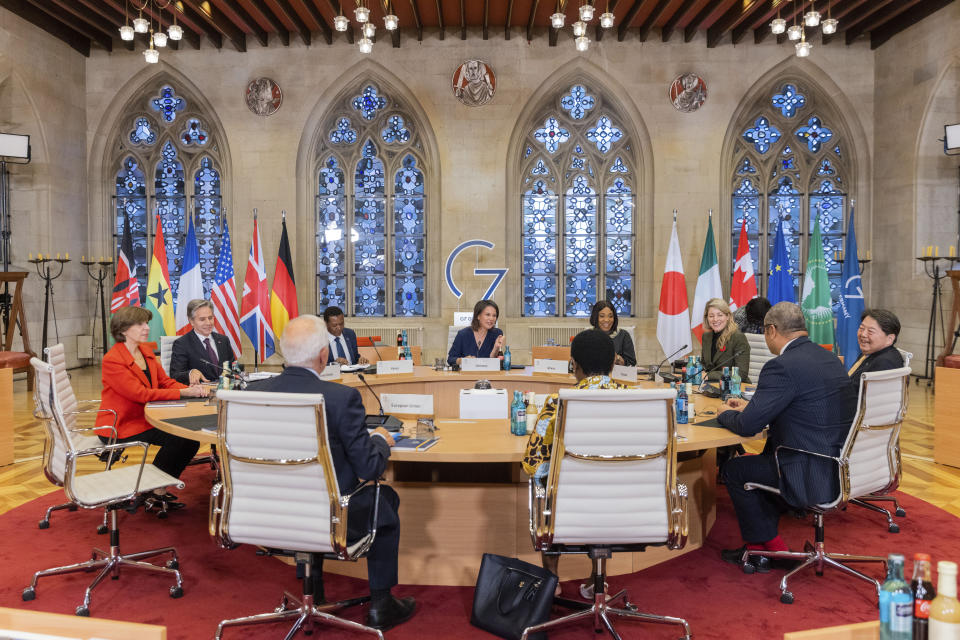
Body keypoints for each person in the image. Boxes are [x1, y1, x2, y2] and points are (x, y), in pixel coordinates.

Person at [245, 315, 415, 631]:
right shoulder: (340, 398)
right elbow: (369, 468)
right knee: (384, 499)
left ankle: (316, 592)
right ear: (324, 355)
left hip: (265, 514)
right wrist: (379, 440)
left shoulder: (252, 394)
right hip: (329, 518)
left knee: (310, 492)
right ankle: (381, 604)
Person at [716, 302, 857, 570]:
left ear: (771, 330)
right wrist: (754, 407)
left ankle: (771, 548)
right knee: (764, 458)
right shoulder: (828, 357)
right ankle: (760, 549)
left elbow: (747, 426)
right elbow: (806, 403)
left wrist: (723, 412)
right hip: (839, 463)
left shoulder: (781, 366)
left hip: (807, 467)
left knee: (735, 469)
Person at [521, 329, 627, 598]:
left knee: (546, 485)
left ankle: (552, 581)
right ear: (613, 363)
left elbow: (532, 464)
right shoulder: (637, 399)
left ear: (574, 365)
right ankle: (597, 580)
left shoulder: (558, 403)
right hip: (624, 498)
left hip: (570, 498)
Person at [95, 306, 208, 510]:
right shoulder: (113, 360)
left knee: (189, 438)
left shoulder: (145, 351)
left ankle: (156, 490)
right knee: (180, 438)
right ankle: (153, 490)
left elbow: (165, 382)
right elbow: (141, 394)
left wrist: (192, 389)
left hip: (145, 418)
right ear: (123, 330)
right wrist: (183, 394)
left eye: (146, 323)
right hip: (120, 425)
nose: (147, 327)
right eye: (140, 324)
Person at [169, 299, 236, 385]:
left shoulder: (223, 340)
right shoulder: (182, 344)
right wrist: (190, 373)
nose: (208, 323)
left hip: (225, 391)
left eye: (210, 318)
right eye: (202, 319)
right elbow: (175, 375)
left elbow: (232, 367)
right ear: (191, 321)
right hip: (200, 394)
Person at [847, 308, 904, 385]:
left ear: (889, 339)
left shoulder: (885, 363)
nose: (863, 334)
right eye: (861, 328)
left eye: (870, 331)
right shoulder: (870, 353)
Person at [700, 298, 752, 383]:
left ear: (728, 316)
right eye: (711, 316)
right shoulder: (706, 336)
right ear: (707, 318)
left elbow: (741, 374)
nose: (715, 319)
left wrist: (709, 375)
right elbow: (704, 365)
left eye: (720, 315)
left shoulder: (738, 337)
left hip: (735, 387)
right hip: (711, 385)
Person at [447, 299, 505, 367]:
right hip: (467, 375)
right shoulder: (463, 334)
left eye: (494, 315)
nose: (491, 318)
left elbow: (497, 363)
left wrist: (496, 348)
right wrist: (462, 360)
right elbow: (450, 359)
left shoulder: (497, 334)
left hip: (488, 375)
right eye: (487, 315)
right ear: (478, 316)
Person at [589, 300, 636, 366]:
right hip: (594, 375)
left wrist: (618, 359)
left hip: (617, 375)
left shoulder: (623, 335)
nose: (607, 320)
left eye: (610, 316)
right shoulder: (587, 336)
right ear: (595, 317)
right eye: (602, 316)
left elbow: (632, 363)